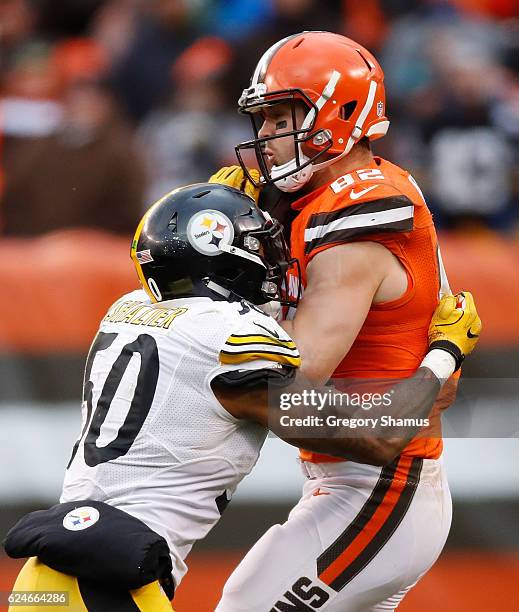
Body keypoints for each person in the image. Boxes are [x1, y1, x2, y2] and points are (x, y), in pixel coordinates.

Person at [4, 183, 480, 611]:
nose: (274, 266)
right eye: (260, 250)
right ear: (226, 261)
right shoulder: (230, 341)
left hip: (46, 579)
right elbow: (374, 438)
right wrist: (442, 357)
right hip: (108, 584)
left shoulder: (128, 309)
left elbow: (172, 256)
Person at [208, 32, 480, 611]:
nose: (265, 139)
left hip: (380, 488)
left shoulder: (358, 213)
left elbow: (293, 376)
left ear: (339, 112)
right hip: (354, 482)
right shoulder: (317, 199)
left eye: (280, 117)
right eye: (262, 121)